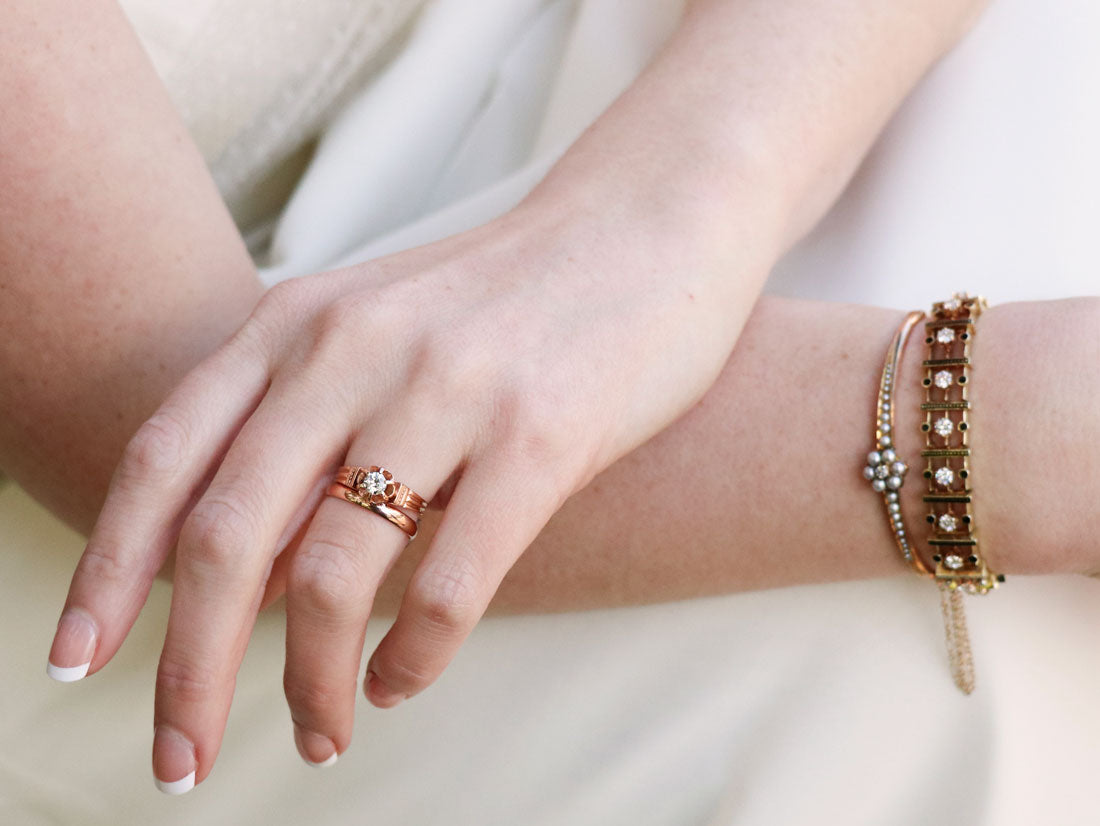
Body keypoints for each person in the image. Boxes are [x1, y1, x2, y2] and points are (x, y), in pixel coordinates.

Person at [1, 0, 1097, 822]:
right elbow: (170, 409)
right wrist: (996, 423)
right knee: (929, 679)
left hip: (698, 83)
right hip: (133, 478)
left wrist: (675, 199)